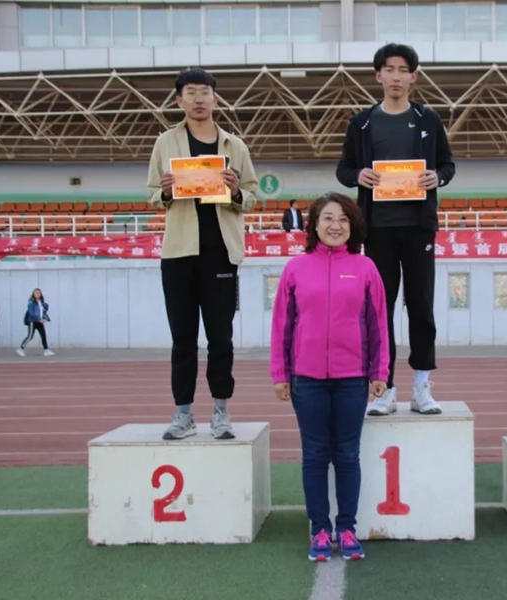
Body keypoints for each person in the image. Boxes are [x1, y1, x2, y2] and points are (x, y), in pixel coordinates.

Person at [335, 43, 455, 417]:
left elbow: (447, 165)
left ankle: (422, 386)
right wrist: (358, 175)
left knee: (421, 306)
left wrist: (437, 177)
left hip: (419, 228)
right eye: (390, 69)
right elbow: (343, 169)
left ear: (414, 76)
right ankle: (383, 387)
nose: (396, 77)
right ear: (379, 75)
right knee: (379, 310)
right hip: (377, 230)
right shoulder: (362, 123)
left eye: (404, 70)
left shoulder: (428, 120)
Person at [270, 192, 390, 562]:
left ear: (353, 226)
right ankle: (320, 530)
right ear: (314, 225)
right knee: (315, 456)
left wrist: (379, 370)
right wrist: (280, 372)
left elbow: (378, 324)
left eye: (343, 219)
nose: (335, 225)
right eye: (327, 218)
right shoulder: (295, 269)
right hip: (306, 379)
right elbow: (282, 325)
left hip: (353, 378)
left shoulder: (365, 268)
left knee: (348, 455)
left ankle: (348, 528)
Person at [147, 67, 259, 441]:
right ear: (179, 100)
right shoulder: (165, 143)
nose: (199, 99)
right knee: (182, 339)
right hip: (179, 253)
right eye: (191, 92)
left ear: (215, 98)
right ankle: (183, 413)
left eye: (205, 92)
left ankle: (221, 411)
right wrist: (165, 192)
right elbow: (151, 194)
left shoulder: (235, 146)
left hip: (221, 252)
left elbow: (253, 197)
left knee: (221, 338)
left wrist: (236, 191)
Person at [17, 288, 55, 357]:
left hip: (40, 321)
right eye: (36, 293)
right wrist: (38, 319)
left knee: (43, 336)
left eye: (39, 293)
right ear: (33, 294)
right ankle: (21, 348)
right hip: (33, 321)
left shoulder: (41, 302)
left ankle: (46, 350)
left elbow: (44, 310)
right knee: (30, 336)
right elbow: (31, 313)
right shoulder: (31, 302)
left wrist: (43, 318)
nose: (37, 294)